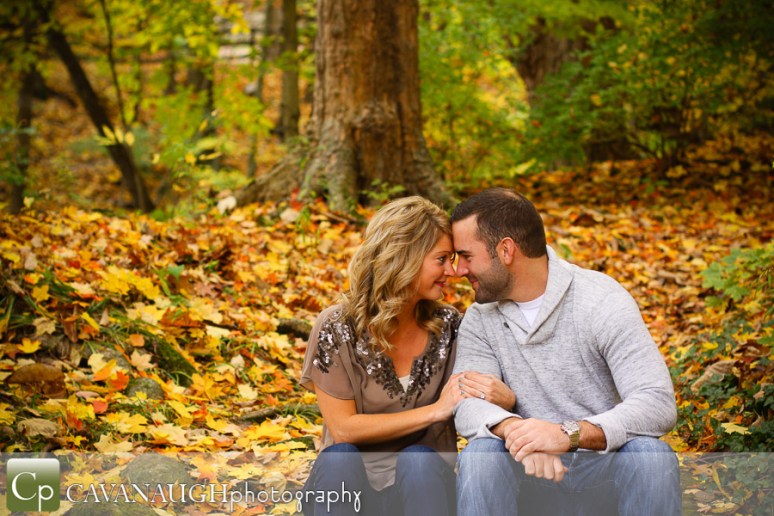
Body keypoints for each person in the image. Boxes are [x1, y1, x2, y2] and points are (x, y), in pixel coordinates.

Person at [451, 188, 681, 515]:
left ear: (505, 251)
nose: (458, 270)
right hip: (530, 473)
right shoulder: (481, 316)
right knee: (481, 456)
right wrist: (522, 435)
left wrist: (566, 435)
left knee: (650, 456)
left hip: (603, 469)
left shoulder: (600, 300)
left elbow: (657, 401)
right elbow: (468, 404)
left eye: (466, 256)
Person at [300, 196, 515, 516]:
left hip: (424, 490)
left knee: (418, 459)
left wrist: (505, 398)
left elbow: (476, 395)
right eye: (441, 259)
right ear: (405, 258)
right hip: (348, 491)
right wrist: (435, 412)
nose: (452, 271)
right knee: (340, 456)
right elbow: (343, 428)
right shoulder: (337, 327)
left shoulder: (450, 327)